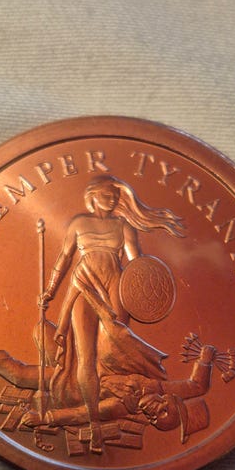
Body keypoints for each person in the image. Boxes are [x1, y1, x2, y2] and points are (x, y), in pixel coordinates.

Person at [38, 175, 185, 453]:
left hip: (115, 287)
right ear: (92, 196)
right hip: (84, 284)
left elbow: (136, 264)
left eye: (115, 197)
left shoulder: (123, 225)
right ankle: (94, 422)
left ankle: (121, 399)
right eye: (107, 195)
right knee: (86, 357)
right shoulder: (78, 223)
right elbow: (64, 259)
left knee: (113, 350)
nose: (113, 200)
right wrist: (50, 290)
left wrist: (147, 293)